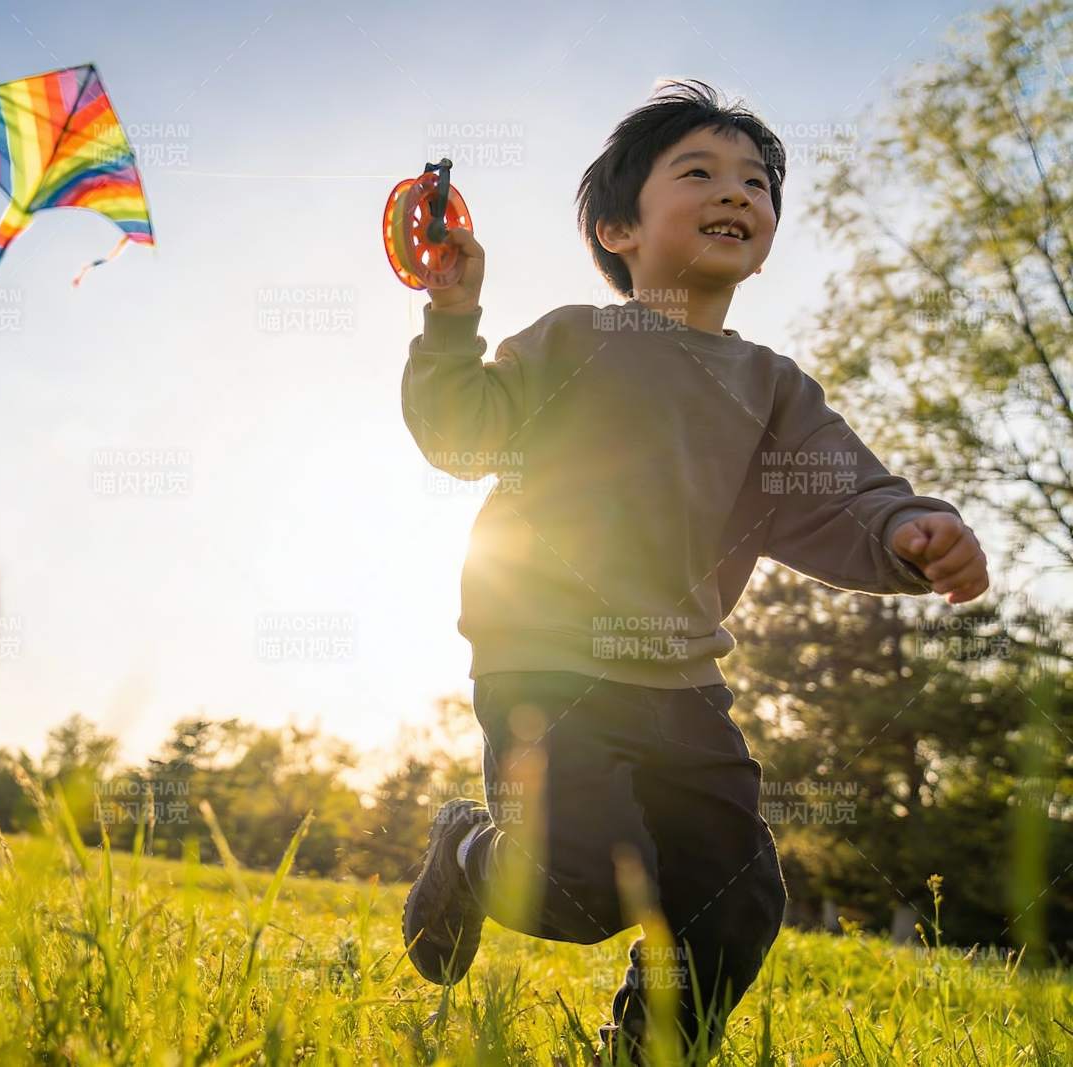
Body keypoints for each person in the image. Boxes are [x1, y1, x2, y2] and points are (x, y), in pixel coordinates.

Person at [398, 79, 990, 1064]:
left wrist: (912, 527)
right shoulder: (575, 339)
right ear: (618, 226)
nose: (738, 192)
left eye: (757, 182)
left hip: (683, 678)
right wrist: (453, 317)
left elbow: (847, 490)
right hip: (548, 660)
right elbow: (463, 436)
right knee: (575, 885)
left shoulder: (771, 387)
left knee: (738, 893)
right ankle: (467, 847)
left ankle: (650, 1047)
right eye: (700, 172)